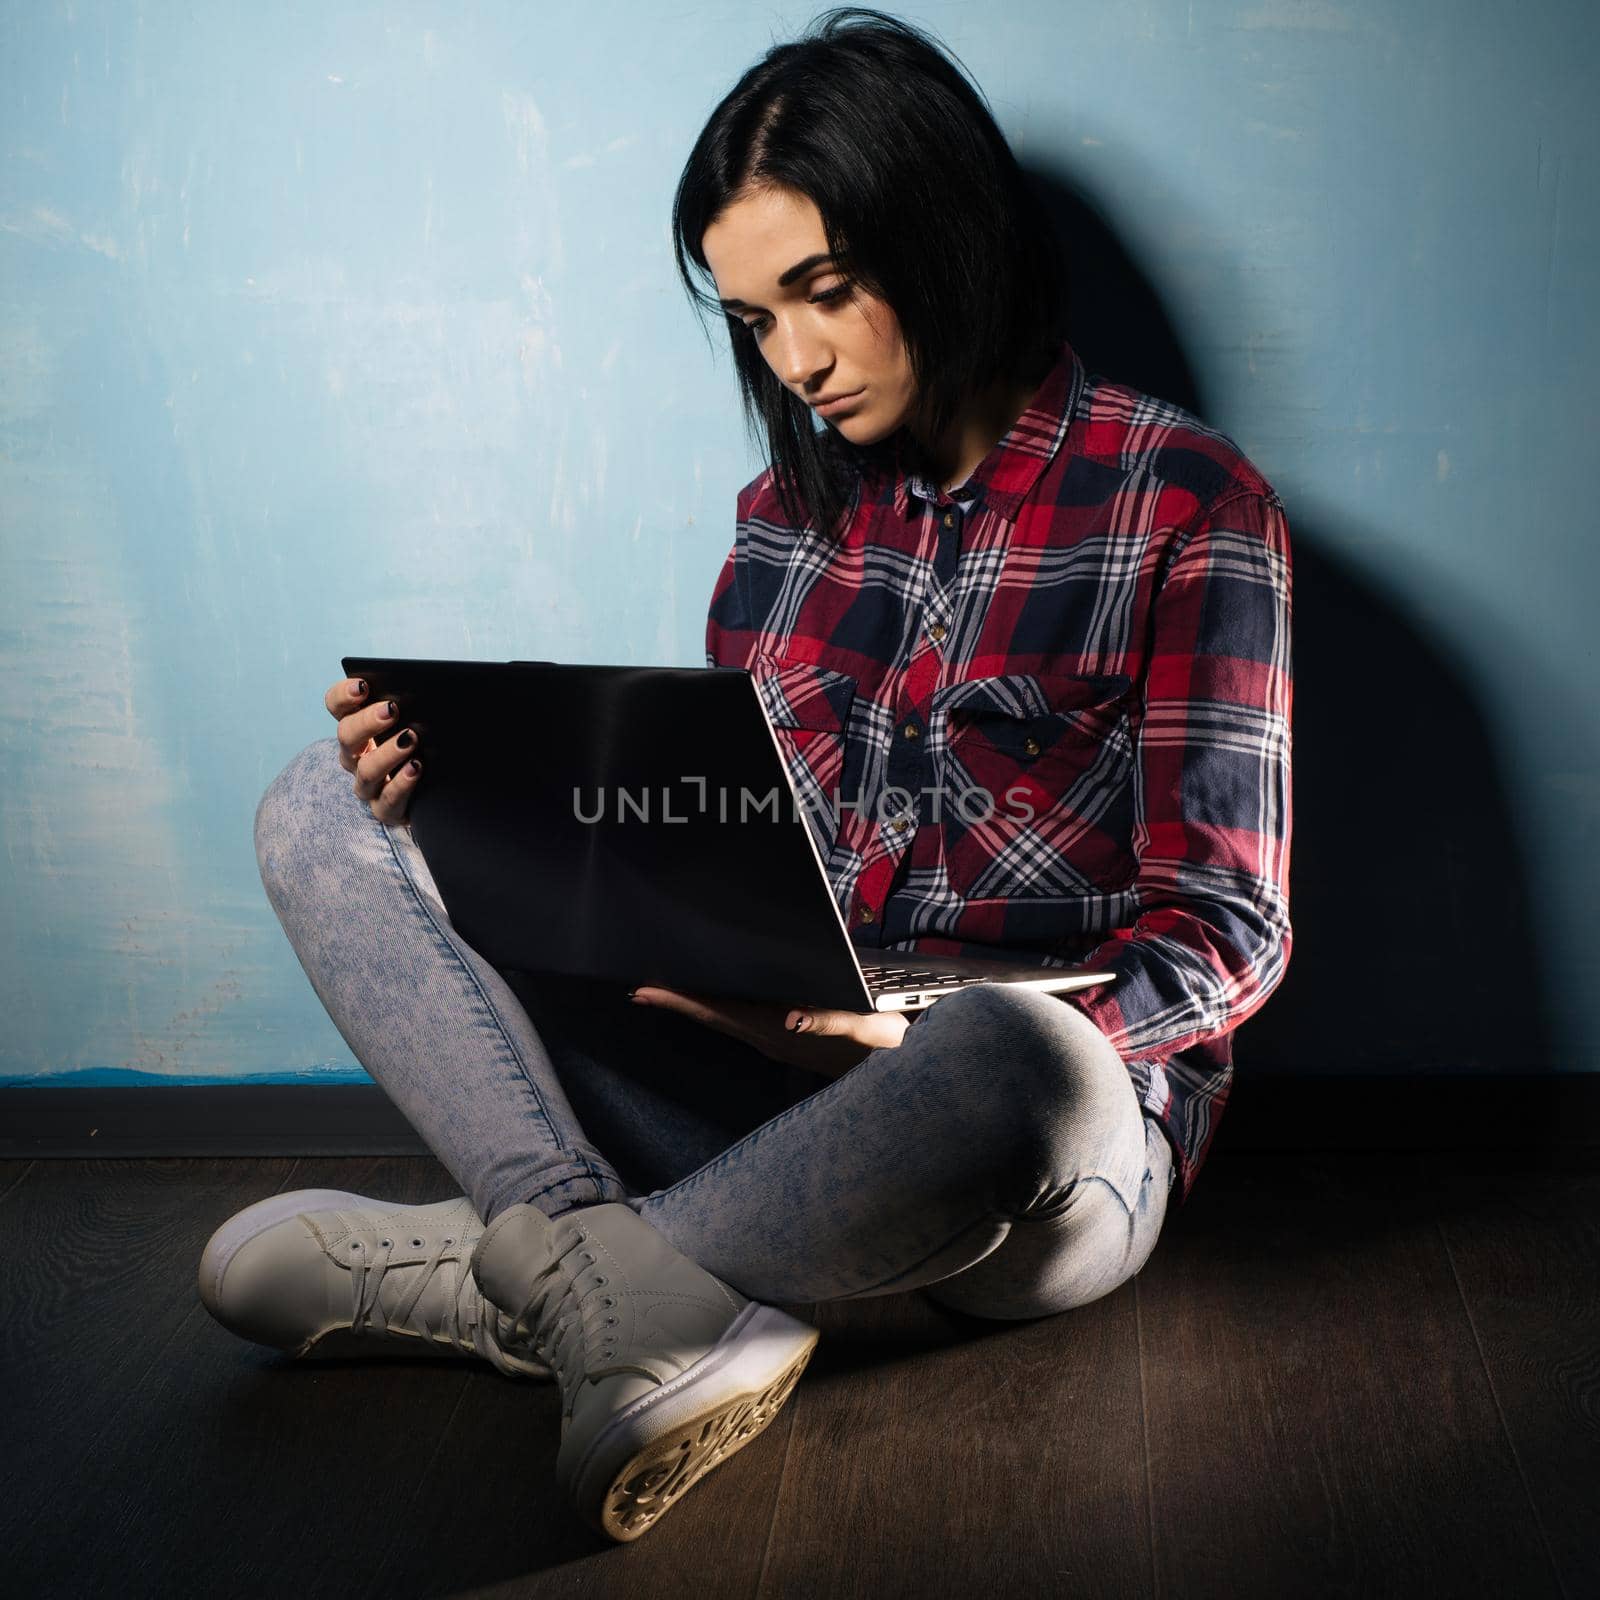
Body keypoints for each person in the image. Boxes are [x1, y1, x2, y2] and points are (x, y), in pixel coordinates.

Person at [197, 7, 1293, 1545]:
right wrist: (479, 813)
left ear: (944, 236)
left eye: (824, 295)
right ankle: (613, 1271)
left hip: (1013, 1141)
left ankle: (524, 1273)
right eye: (753, 319)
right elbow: (732, 838)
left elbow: (1229, 935)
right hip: (759, 1083)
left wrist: (907, 1030)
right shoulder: (783, 517)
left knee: (1021, 1064)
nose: (796, 359)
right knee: (322, 802)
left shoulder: (1187, 501)